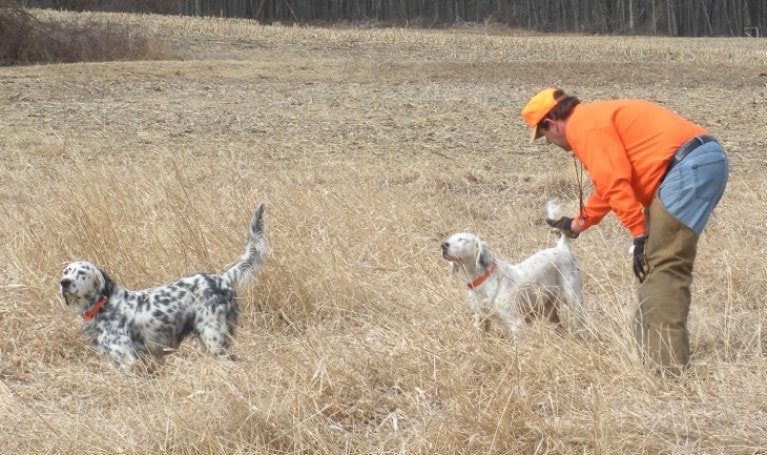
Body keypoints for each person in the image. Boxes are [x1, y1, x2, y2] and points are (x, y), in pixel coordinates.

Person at [521, 87, 728, 375]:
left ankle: (668, 371)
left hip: (686, 169)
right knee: (655, 264)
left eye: (544, 137)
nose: (549, 143)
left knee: (665, 266)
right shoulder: (592, 119)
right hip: (696, 163)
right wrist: (578, 223)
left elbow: (615, 181)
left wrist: (638, 233)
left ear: (551, 124)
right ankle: (650, 354)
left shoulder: (584, 128)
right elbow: (611, 185)